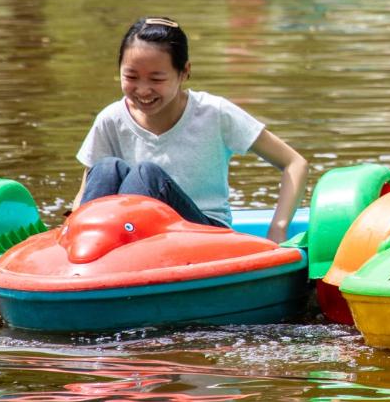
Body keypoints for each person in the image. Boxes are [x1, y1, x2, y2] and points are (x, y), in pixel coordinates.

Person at [71, 16, 308, 243]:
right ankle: (88, 247)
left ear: (184, 72)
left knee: (147, 176)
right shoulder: (111, 119)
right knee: (106, 168)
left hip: (206, 235)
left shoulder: (214, 113)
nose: (143, 90)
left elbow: (294, 163)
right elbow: (84, 196)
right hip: (132, 239)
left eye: (156, 79)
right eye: (131, 77)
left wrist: (278, 228)